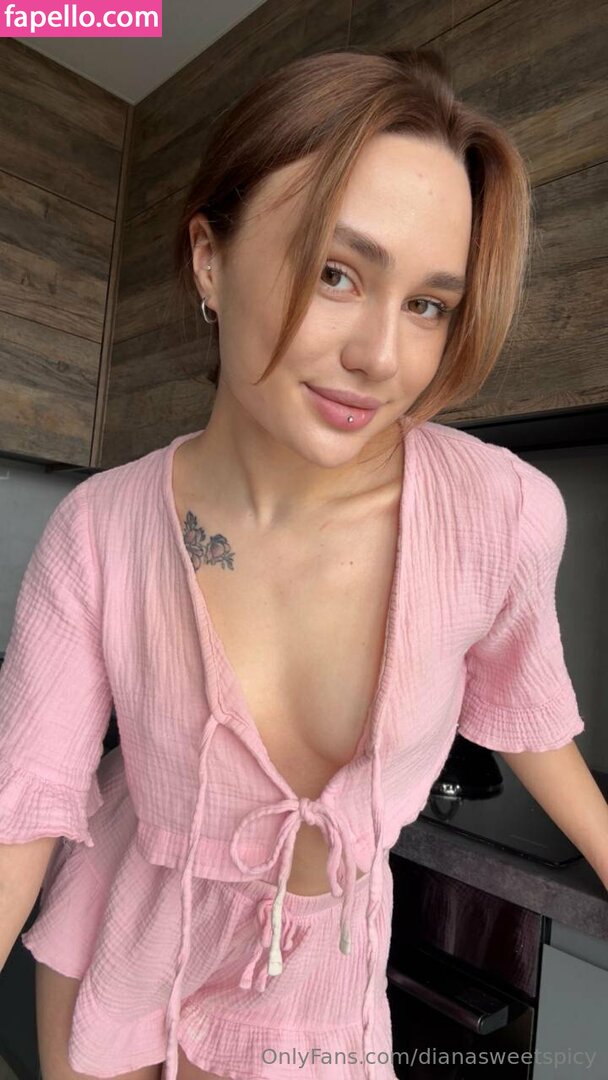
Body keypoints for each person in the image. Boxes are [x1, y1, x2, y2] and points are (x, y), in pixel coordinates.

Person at [1, 45, 606, 1080]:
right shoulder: (98, 530)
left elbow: (528, 708)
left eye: (427, 304)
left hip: (317, 990)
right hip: (118, 951)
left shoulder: (498, 513)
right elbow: (22, 798)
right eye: (335, 271)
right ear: (209, 259)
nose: (381, 355)